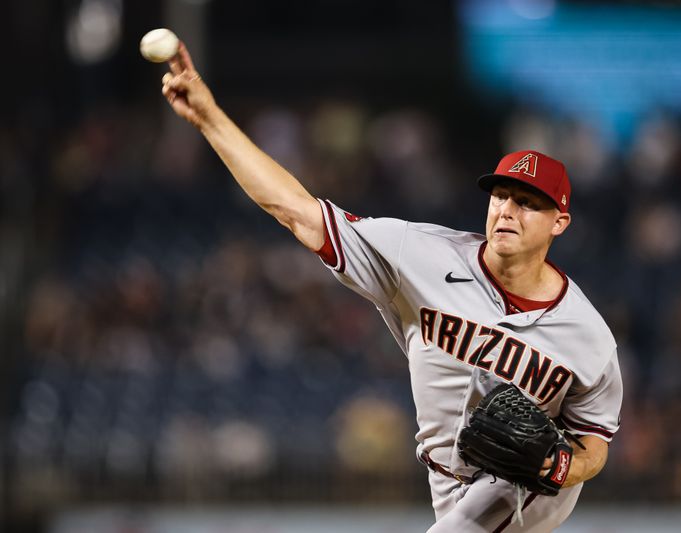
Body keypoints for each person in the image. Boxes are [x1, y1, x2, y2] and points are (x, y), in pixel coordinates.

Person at [160, 43, 623, 533]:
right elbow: (293, 209)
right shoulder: (417, 255)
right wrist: (210, 118)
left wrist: (560, 467)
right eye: (501, 195)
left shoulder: (588, 335)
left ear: (560, 222)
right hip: (446, 482)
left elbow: (595, 443)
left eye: (528, 202)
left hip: (526, 486)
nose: (507, 209)